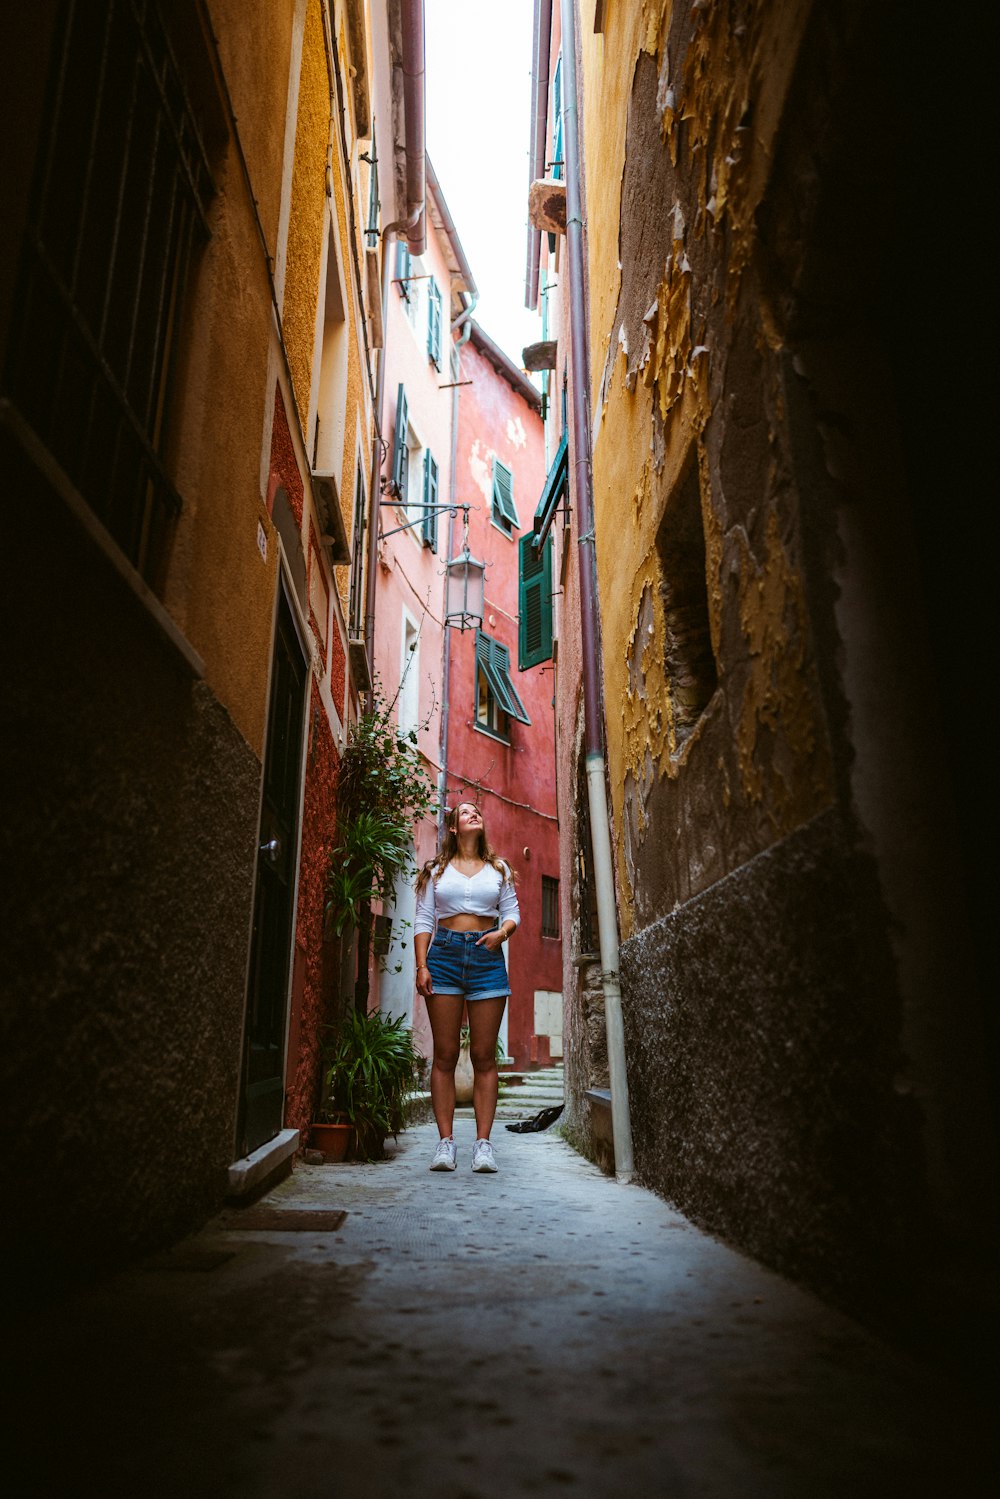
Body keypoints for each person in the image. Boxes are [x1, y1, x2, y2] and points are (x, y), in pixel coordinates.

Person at [414, 802, 519, 1173]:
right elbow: (424, 918)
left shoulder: (499, 870)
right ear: (454, 828)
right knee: (443, 1055)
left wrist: (501, 934)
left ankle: (483, 1145)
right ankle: (445, 1144)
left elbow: (512, 913)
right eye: (465, 812)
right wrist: (422, 965)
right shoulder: (437, 870)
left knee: (484, 1056)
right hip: (443, 956)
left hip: (487, 957)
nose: (474, 814)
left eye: (477, 811)